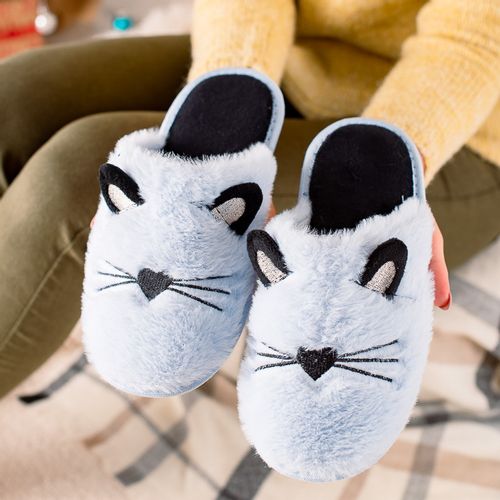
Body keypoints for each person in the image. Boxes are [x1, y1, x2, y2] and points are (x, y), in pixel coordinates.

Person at [0, 0, 498, 397]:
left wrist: (390, 168)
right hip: (298, 59)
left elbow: (474, 41)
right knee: (12, 100)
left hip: (459, 129)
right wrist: (231, 106)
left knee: (71, 177)